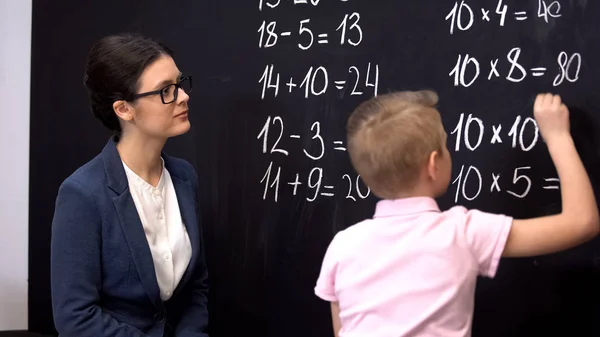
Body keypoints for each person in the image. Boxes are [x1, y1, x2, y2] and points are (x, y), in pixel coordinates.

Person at [314, 91, 600, 337]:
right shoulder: (462, 232)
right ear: (433, 165)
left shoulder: (341, 246)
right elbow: (582, 222)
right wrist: (558, 136)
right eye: (446, 145)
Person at [50, 33, 209, 337]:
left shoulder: (184, 177)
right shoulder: (83, 194)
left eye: (180, 82)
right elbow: (75, 317)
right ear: (124, 109)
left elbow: (195, 287)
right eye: (166, 90)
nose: (183, 96)